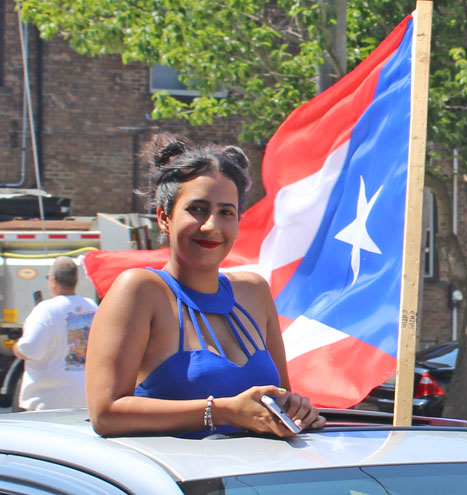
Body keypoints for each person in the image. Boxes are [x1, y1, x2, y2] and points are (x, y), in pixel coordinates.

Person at [86, 133, 325, 438]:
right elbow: (105, 413)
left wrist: (296, 410)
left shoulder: (254, 291)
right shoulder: (140, 290)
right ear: (164, 218)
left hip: (251, 481)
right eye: (197, 209)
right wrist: (222, 411)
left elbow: (278, 399)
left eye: (226, 212)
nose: (211, 225)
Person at [13, 256, 98, 410]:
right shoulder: (92, 307)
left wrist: (16, 347)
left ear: (52, 280)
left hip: (49, 401)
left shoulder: (46, 310)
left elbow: (30, 348)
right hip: (85, 397)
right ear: (75, 280)